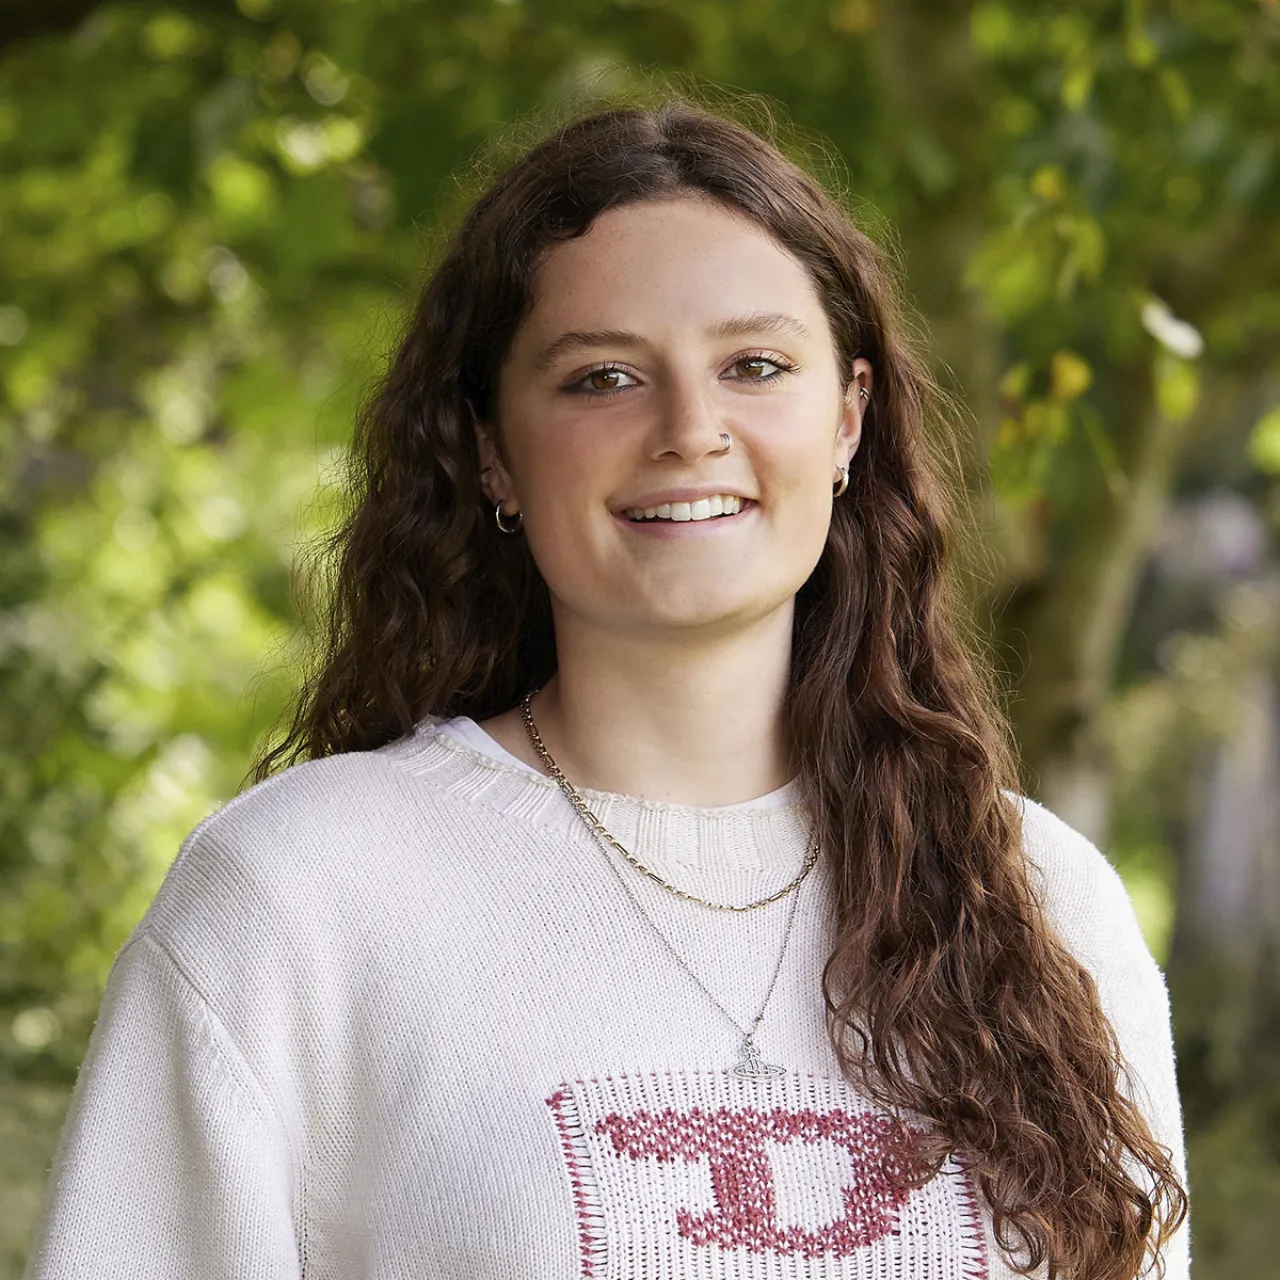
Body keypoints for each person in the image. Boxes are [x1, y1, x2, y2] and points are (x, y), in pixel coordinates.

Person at [24, 97, 1190, 1280]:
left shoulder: (1045, 904)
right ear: (490, 448)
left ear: (846, 418)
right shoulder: (301, 900)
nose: (690, 429)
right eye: (602, 378)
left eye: (753, 365)